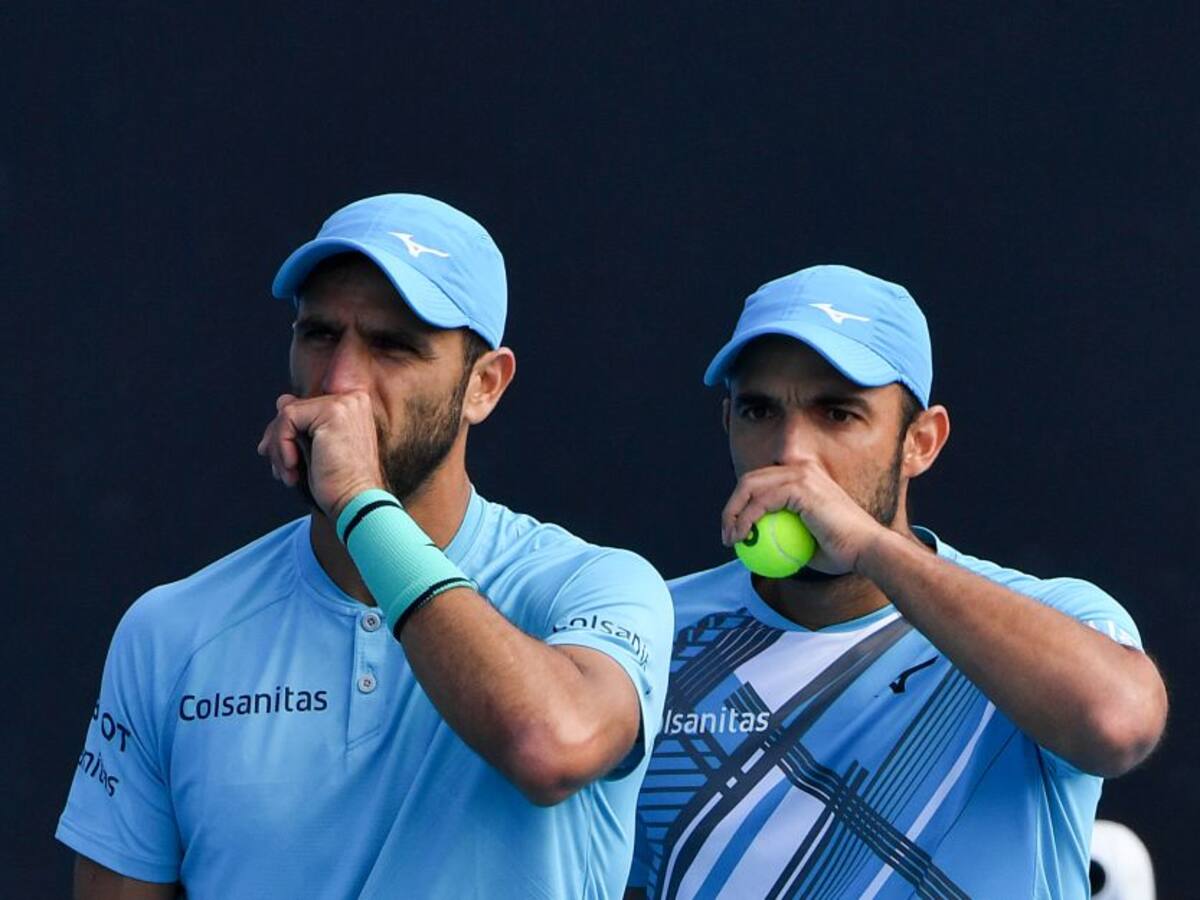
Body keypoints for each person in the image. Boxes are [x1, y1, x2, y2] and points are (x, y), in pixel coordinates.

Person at [57, 193, 674, 899]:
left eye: (393, 345)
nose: (342, 381)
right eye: (320, 334)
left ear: (485, 386)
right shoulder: (170, 630)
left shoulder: (592, 586)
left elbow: (550, 746)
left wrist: (358, 500)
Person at [626, 265, 1167, 899]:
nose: (792, 451)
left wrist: (871, 547)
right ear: (727, 425)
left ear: (921, 442)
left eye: (838, 413)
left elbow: (1118, 725)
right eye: (759, 410)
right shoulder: (653, 627)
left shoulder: (1045, 616)